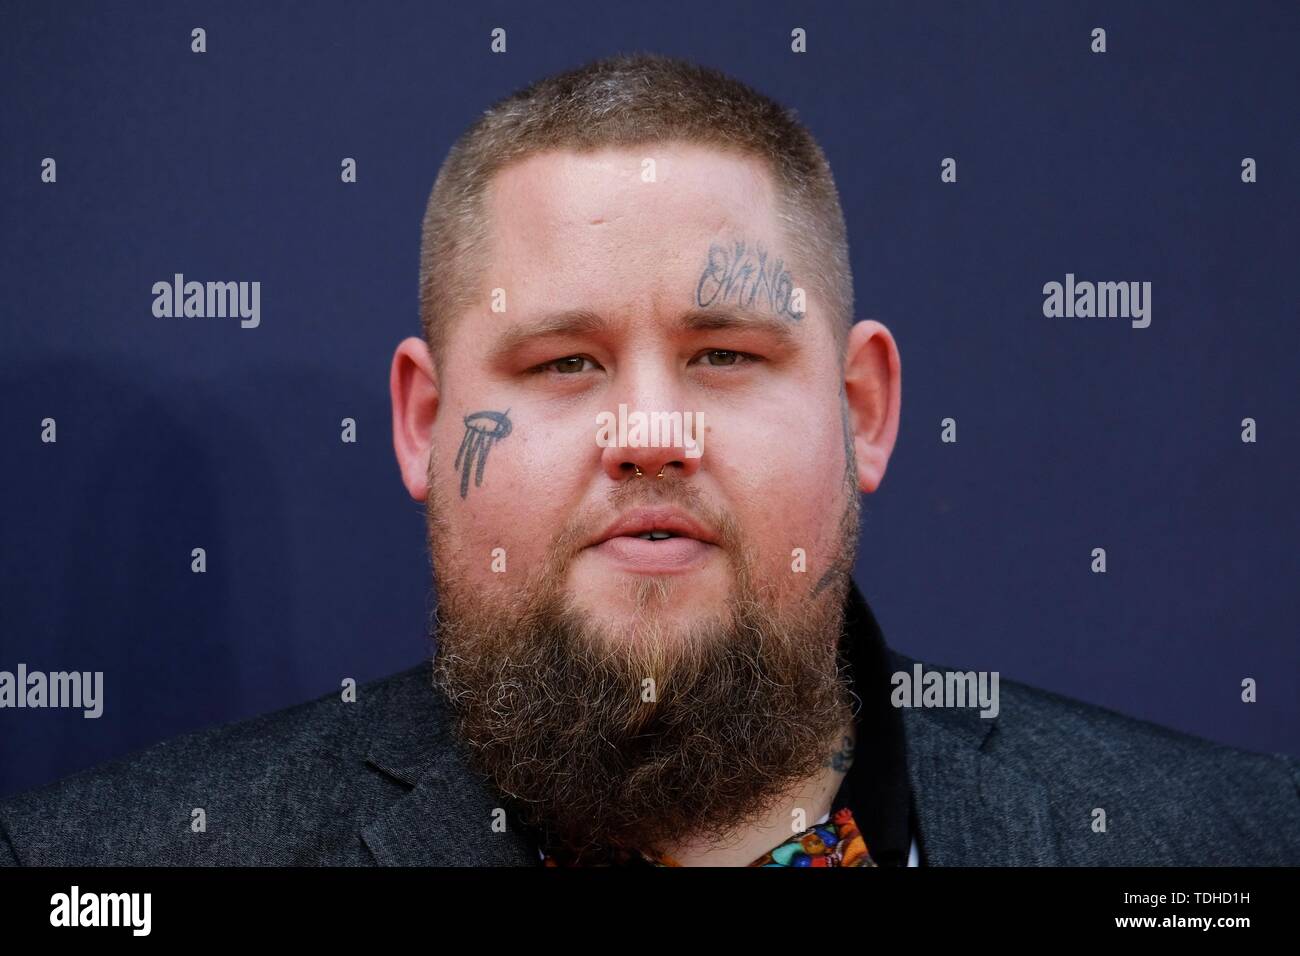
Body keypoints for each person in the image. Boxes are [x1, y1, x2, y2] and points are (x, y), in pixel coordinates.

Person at [2, 53, 1296, 867]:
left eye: (726, 355)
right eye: (563, 363)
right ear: (421, 424)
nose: (651, 435)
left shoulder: (1231, 845)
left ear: (864, 410)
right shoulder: (102, 873)